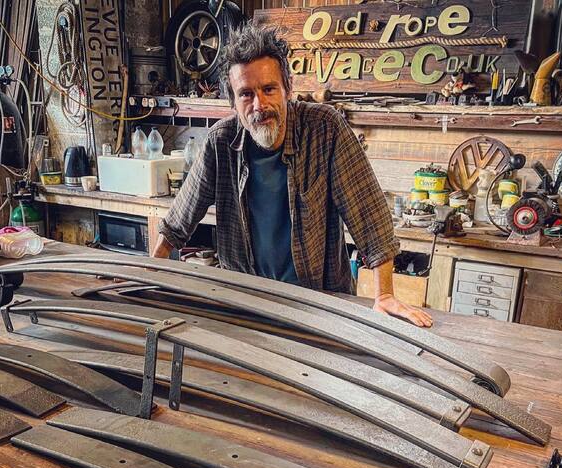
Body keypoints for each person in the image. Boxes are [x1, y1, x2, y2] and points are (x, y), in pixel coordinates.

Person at [152, 22, 432, 327]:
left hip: (319, 304)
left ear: (288, 88)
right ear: (233, 102)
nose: (260, 105)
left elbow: (370, 219)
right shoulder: (220, 143)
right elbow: (177, 222)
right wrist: (147, 274)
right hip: (248, 302)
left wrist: (385, 294)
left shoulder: (326, 129)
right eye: (246, 94)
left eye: (268, 89)